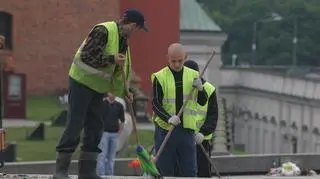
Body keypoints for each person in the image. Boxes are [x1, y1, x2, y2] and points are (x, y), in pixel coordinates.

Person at [53, 9, 148, 179]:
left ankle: (87, 172)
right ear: (133, 26)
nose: (137, 33)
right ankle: (61, 171)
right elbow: (87, 56)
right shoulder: (104, 31)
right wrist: (111, 59)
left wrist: (127, 91)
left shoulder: (124, 41)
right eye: (139, 29)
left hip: (98, 89)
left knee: (96, 128)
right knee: (75, 125)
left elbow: (121, 71)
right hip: (81, 83)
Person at [151, 43, 208, 177]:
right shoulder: (160, 77)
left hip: (187, 130)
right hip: (165, 129)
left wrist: (200, 89)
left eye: (180, 61)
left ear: (185, 58)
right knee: (165, 170)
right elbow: (155, 103)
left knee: (189, 170)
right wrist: (168, 117)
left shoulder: (194, 75)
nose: (176, 65)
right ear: (167, 58)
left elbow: (203, 101)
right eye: (173, 61)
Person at [184, 60, 219, 177]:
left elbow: (213, 115)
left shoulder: (209, 89)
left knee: (203, 171)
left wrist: (203, 132)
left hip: (201, 140)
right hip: (184, 136)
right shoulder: (182, 88)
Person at [96, 92, 125, 176]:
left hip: (114, 134)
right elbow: (98, 118)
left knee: (111, 157)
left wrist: (119, 131)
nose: (113, 94)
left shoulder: (119, 105)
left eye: (114, 92)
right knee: (102, 155)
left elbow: (122, 120)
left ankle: (110, 175)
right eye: (111, 92)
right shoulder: (102, 104)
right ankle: (101, 175)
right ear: (108, 93)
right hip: (104, 133)